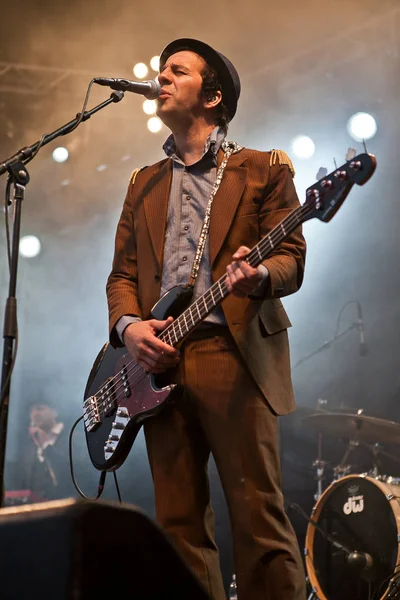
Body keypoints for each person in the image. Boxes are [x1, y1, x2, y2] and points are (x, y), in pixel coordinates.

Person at [106, 38, 307, 600]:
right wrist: (130, 329)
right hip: (157, 364)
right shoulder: (141, 181)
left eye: (178, 70)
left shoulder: (264, 168)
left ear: (213, 96)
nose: (161, 76)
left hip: (232, 354)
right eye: (161, 69)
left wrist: (259, 276)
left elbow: (291, 258)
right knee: (177, 528)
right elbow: (120, 277)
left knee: (257, 519)